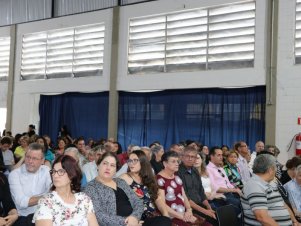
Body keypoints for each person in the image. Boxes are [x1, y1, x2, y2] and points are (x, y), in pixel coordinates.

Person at [33, 155, 98, 226]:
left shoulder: (84, 199)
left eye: (61, 171)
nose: (55, 175)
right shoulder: (46, 202)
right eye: (54, 171)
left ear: (72, 174)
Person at [84, 151, 144, 226]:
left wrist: (134, 218)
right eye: (105, 163)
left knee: (161, 221)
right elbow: (99, 215)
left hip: (135, 221)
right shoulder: (91, 187)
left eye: (112, 165)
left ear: (116, 170)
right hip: (120, 224)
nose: (108, 168)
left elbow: (137, 202)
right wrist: (127, 222)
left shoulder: (121, 182)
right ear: (98, 165)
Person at [120, 150, 171, 226]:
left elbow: (157, 199)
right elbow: (119, 202)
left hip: (152, 217)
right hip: (137, 218)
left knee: (165, 221)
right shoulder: (124, 178)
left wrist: (166, 214)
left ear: (143, 162)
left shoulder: (149, 177)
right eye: (130, 160)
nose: (131, 163)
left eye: (135, 160)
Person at [241, 154, 294, 226]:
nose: (276, 170)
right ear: (270, 170)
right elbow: (262, 218)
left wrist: (295, 221)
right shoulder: (254, 185)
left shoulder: (271, 183)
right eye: (276, 167)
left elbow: (283, 204)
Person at [9, 143, 52, 226]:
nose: (30, 161)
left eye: (35, 158)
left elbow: (54, 190)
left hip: (44, 216)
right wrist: (47, 196)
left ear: (42, 160)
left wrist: (49, 195)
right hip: (22, 217)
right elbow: (22, 202)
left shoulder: (47, 171)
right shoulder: (14, 175)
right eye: (28, 157)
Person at [177, 146, 218, 226]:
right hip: (188, 208)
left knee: (219, 214)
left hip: (200, 205)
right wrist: (206, 211)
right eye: (187, 156)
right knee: (212, 220)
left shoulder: (195, 170)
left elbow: (201, 192)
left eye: (192, 157)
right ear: (182, 157)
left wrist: (208, 208)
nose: (190, 159)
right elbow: (186, 199)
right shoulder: (178, 172)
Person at [157, 151, 197, 226]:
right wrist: (182, 217)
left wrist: (189, 210)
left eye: (177, 161)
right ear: (165, 163)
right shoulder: (159, 179)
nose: (177, 164)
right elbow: (161, 204)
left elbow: (184, 196)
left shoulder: (177, 177)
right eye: (173, 161)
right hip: (171, 216)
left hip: (183, 214)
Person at [206, 146, 241, 215]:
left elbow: (228, 183)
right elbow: (216, 189)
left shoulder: (220, 168)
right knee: (239, 203)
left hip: (229, 193)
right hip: (220, 196)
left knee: (245, 200)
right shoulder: (208, 169)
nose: (221, 157)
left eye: (222, 155)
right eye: (218, 155)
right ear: (211, 156)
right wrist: (234, 190)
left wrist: (236, 189)